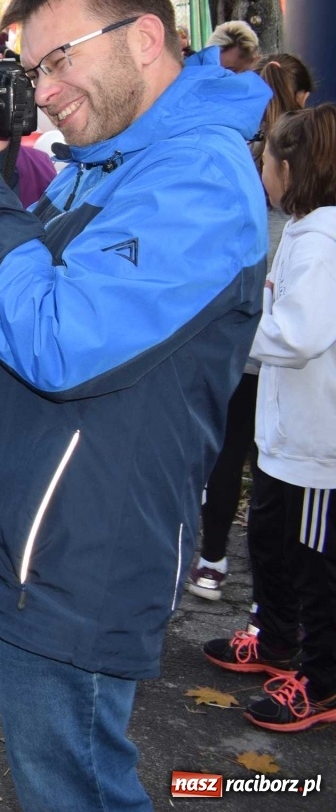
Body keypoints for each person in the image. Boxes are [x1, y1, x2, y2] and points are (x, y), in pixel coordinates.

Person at [0, 0, 270, 808]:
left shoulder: (200, 179)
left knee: (69, 785)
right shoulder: (99, 159)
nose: (44, 90)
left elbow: (62, 338)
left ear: (146, 38)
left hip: (69, 558)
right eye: (32, 67)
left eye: (60, 60)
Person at [200, 103, 336, 732]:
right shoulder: (307, 232)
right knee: (271, 543)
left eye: (266, 163)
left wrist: (231, 323)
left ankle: (323, 678)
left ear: (290, 167)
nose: (261, 173)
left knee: (315, 563)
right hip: (286, 435)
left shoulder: (324, 241)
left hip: (318, 444)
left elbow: (298, 335)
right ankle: (276, 640)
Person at [187, 54, 312, 601]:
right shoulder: (305, 189)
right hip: (272, 353)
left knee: (228, 450)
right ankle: (272, 592)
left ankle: (212, 561)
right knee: (271, 473)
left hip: (250, 344)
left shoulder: (238, 158)